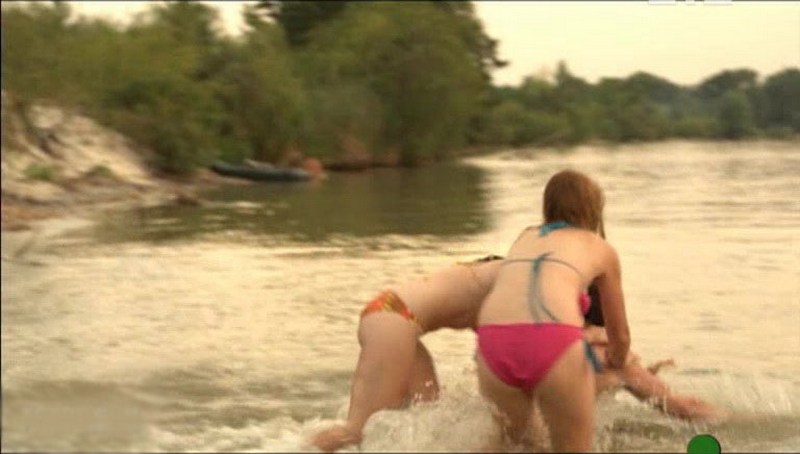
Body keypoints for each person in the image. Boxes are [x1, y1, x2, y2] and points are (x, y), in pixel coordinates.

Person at [475, 169, 630, 452]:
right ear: (593, 210)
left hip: (492, 341)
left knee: (516, 446)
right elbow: (619, 336)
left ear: (547, 206)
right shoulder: (601, 248)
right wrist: (615, 363)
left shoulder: (525, 236)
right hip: (555, 340)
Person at [308, 255, 505, 453]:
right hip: (395, 318)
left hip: (391, 314)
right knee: (357, 431)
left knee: (427, 408)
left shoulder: (476, 282)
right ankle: (302, 448)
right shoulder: (504, 279)